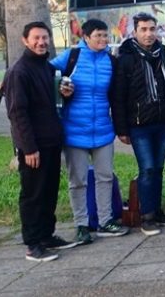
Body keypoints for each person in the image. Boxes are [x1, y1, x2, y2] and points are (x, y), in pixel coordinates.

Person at [4, 22, 78, 262]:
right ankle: (33, 243)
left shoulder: (47, 68)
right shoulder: (19, 71)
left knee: (48, 191)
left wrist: (66, 94)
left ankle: (47, 235)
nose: (41, 42)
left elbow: (54, 103)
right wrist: (29, 148)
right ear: (25, 41)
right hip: (33, 146)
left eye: (45, 37)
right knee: (33, 194)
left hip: (51, 140)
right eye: (36, 38)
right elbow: (17, 114)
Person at [49, 19, 127, 244]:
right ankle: (81, 225)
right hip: (74, 131)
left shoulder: (111, 61)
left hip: (103, 129)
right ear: (85, 37)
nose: (103, 40)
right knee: (78, 181)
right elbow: (46, 74)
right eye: (98, 36)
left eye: (105, 36)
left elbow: (115, 94)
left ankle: (105, 221)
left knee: (105, 177)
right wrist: (61, 84)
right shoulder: (71, 56)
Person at [112, 12, 165, 236]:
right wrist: (121, 129)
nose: (149, 34)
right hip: (139, 124)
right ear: (135, 32)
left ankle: (157, 210)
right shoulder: (126, 58)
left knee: (158, 168)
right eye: (144, 30)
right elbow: (118, 96)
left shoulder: (164, 53)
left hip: (163, 121)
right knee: (147, 169)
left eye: (152, 29)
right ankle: (146, 216)